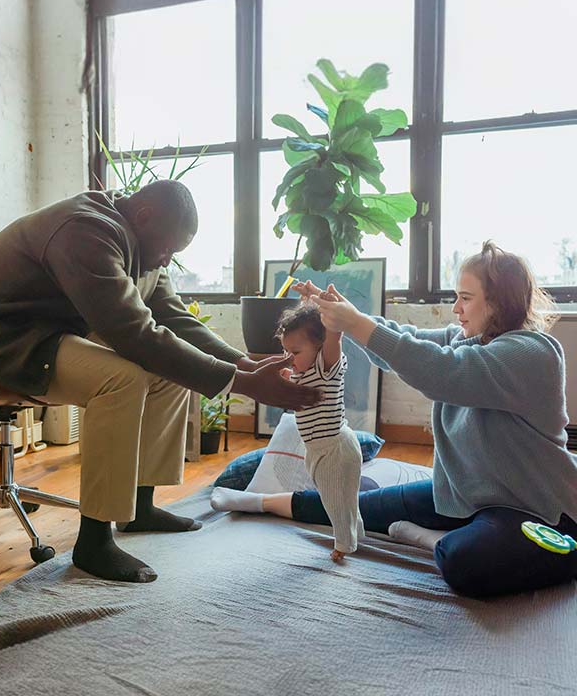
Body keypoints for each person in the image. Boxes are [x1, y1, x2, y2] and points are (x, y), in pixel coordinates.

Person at [0, 180, 321, 584]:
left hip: (47, 333)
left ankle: (139, 507)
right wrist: (244, 384)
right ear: (144, 216)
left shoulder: (143, 245)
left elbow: (173, 317)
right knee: (122, 378)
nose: (166, 260)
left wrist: (243, 364)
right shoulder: (85, 230)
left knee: (169, 373)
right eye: (167, 249)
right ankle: (93, 542)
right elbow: (132, 332)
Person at [208, 241, 577, 598]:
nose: (455, 309)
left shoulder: (531, 352)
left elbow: (440, 372)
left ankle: (428, 538)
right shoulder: (468, 338)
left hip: (538, 508)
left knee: (465, 561)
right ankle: (262, 501)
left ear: (499, 303)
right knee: (351, 508)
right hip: (467, 496)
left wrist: (354, 323)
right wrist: (340, 312)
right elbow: (406, 342)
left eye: (465, 298)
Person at [212, 289, 363, 561]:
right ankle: (355, 533)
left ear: (320, 346)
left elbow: (335, 337)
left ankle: (343, 544)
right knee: (341, 498)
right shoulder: (302, 371)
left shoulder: (326, 365)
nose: (288, 357)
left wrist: (326, 307)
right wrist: (285, 374)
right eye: (285, 350)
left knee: (336, 500)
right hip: (318, 449)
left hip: (334, 448)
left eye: (294, 351)